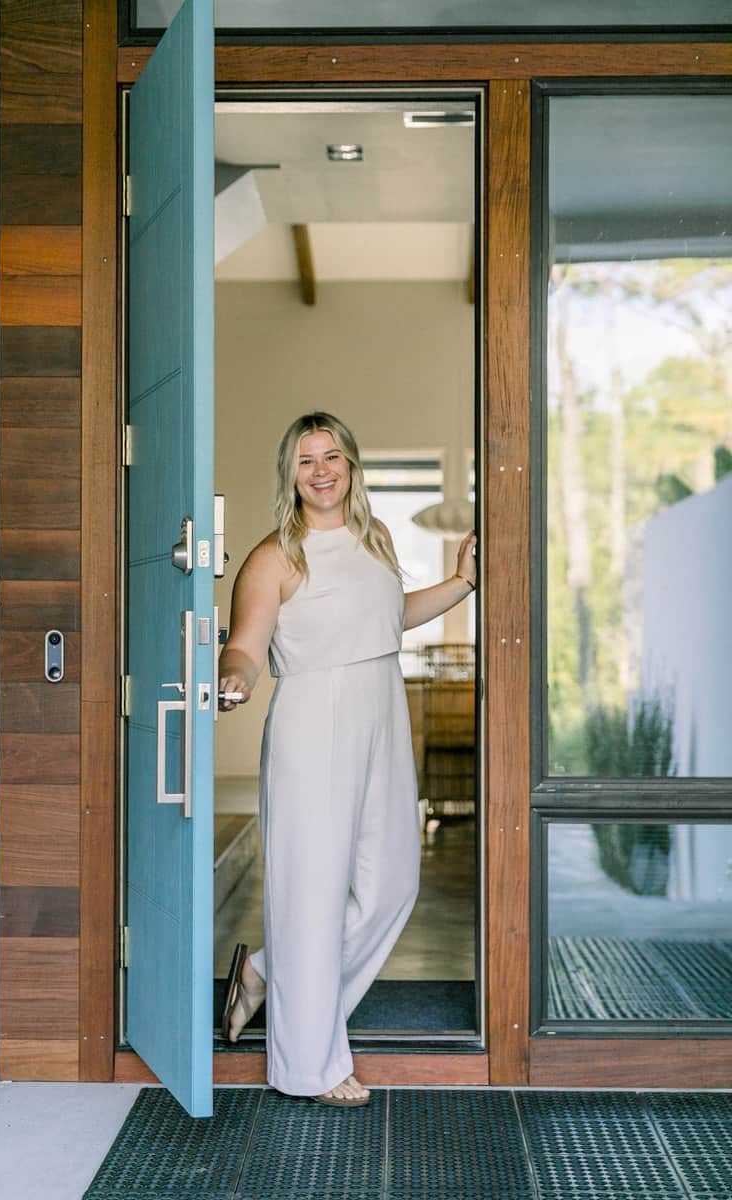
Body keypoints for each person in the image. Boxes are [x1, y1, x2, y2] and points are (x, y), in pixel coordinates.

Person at [218, 412, 477, 1107]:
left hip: (382, 714)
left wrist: (461, 584)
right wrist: (236, 674)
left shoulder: (377, 537)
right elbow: (245, 641)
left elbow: (386, 617)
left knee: (392, 884)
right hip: (313, 725)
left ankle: (267, 976)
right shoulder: (275, 556)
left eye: (332, 456)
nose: (322, 470)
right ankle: (312, 1065)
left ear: (353, 465)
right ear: (290, 475)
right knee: (312, 897)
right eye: (306, 461)